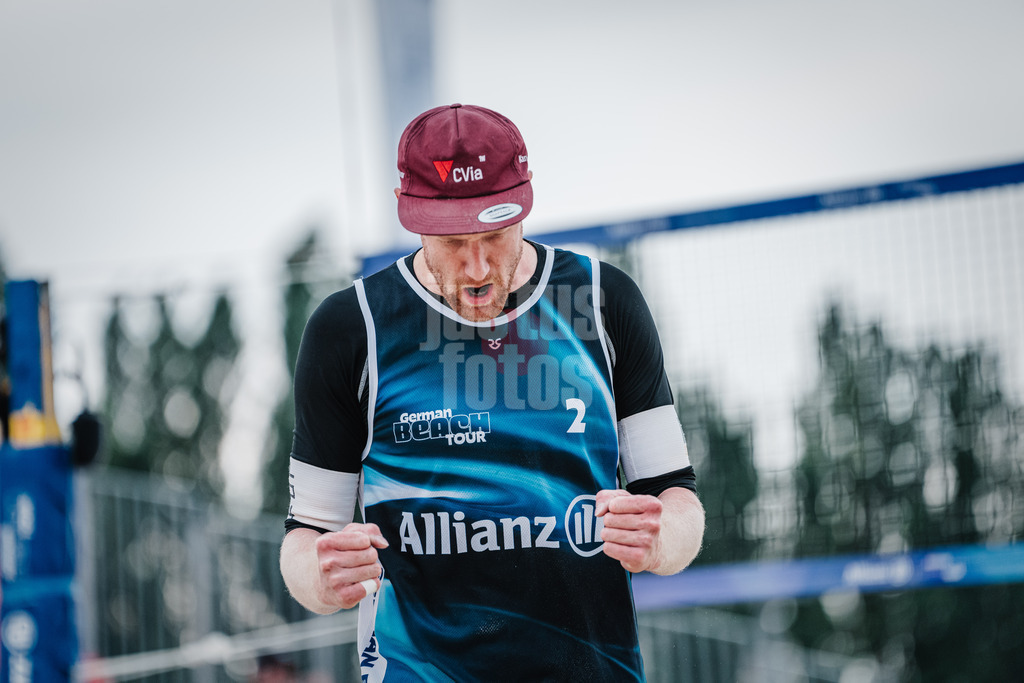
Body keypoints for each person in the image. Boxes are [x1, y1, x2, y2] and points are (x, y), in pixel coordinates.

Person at [279, 103, 705, 681]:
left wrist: (661, 538)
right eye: (453, 241)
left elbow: (678, 503)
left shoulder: (604, 301)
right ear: (415, 220)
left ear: (525, 207)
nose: (478, 266)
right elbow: (306, 537)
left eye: (497, 233)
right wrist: (322, 578)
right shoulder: (352, 326)